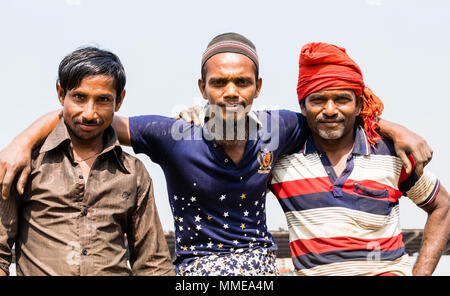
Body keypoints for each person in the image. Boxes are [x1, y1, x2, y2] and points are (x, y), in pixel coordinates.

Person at [0, 33, 433, 276]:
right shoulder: (172, 133)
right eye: (219, 83)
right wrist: (25, 139)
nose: (230, 92)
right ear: (202, 86)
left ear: (257, 88)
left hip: (258, 268)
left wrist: (394, 128)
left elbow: (333, 115)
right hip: (195, 272)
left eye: (242, 83)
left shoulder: (280, 126)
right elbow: (91, 114)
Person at [270, 42, 449, 276]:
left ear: (358, 106)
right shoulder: (281, 163)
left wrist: (421, 273)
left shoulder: (391, 153)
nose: (331, 109)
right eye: (318, 100)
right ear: (303, 107)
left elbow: (442, 205)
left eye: (342, 99)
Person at [0, 47, 174, 276]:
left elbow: (153, 265)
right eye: (79, 97)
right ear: (61, 94)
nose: (90, 113)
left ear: (119, 100)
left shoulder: (133, 173)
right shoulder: (25, 163)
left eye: (102, 100)